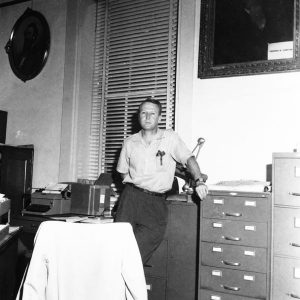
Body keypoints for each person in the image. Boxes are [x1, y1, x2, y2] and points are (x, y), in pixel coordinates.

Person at [114, 97, 208, 264]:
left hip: (155, 202)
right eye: (144, 113)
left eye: (152, 113)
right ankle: (118, 289)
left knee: (137, 255)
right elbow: (122, 172)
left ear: (159, 118)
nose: (148, 117)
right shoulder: (129, 142)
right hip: (131, 199)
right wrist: (135, 184)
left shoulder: (170, 138)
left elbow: (189, 159)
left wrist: (199, 181)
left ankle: (129, 286)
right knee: (118, 248)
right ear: (138, 116)